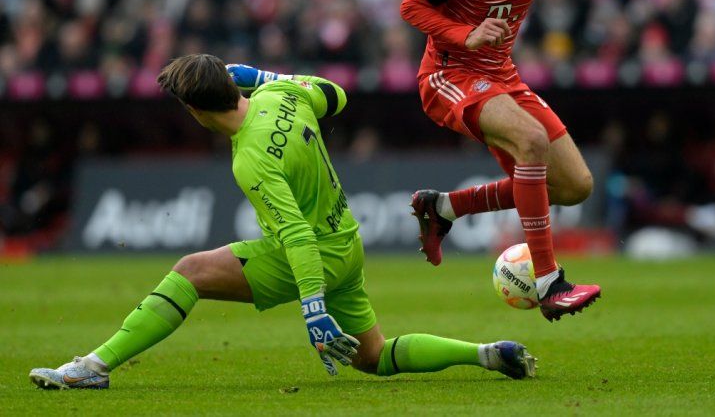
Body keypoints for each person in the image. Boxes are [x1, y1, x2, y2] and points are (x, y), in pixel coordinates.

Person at [29, 55, 535, 390]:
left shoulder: (250, 159)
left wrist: (313, 309)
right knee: (374, 356)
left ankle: (93, 367)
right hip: (347, 242)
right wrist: (265, 77)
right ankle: (487, 354)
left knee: (190, 272)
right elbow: (336, 95)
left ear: (196, 111)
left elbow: (295, 234)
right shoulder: (281, 96)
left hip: (316, 254)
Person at [398, 0, 625, 321]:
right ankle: (549, 282)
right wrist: (466, 35)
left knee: (575, 187)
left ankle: (444, 207)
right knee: (531, 140)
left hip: (502, 76)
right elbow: (412, 6)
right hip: (451, 76)